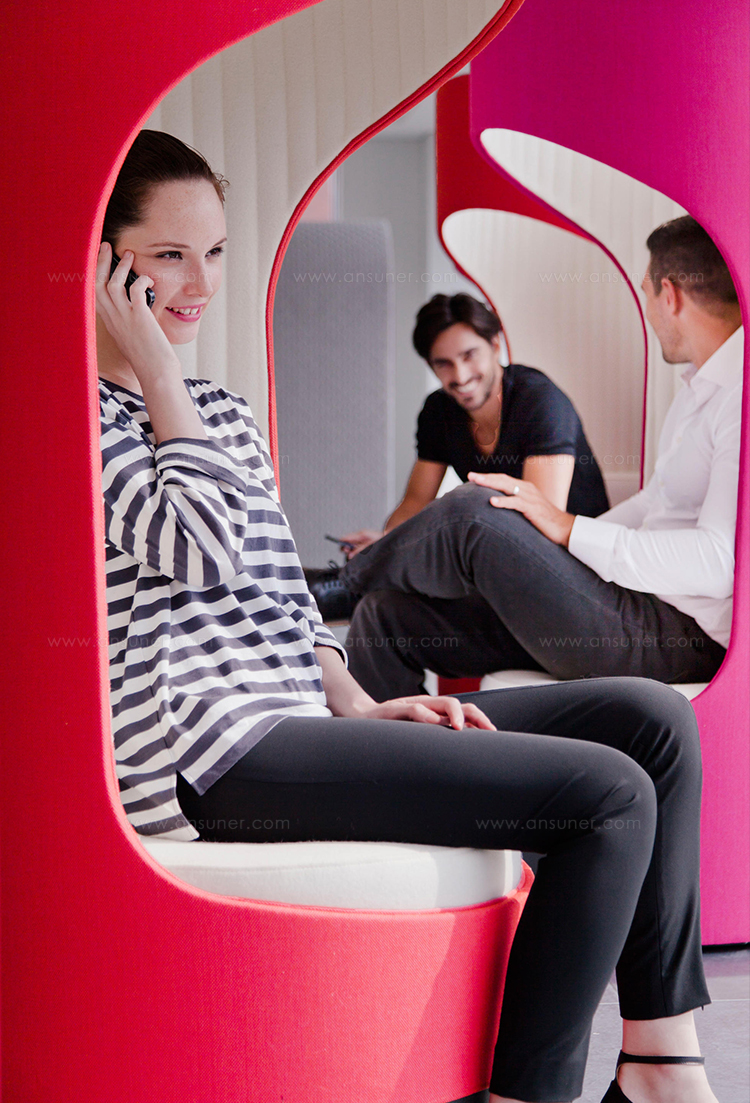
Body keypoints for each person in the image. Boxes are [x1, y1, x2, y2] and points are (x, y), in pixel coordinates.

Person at [97, 130, 719, 1103]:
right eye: (168, 254)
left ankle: (659, 1056)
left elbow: (276, 591)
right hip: (210, 753)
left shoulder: (219, 412)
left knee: (654, 721)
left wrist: (353, 700)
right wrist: (156, 374)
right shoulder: (73, 418)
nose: (201, 282)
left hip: (292, 719)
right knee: (606, 796)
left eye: (213, 251)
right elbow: (203, 546)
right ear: (105, 266)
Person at [342, 216, 742, 698]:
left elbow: (718, 561)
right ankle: (394, 744)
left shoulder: (737, 398)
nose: (648, 311)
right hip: (625, 602)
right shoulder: (701, 389)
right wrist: (570, 554)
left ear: (670, 296)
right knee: (383, 617)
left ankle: (339, 587)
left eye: (646, 293)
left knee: (477, 510)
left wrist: (569, 528)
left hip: (677, 634)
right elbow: (654, 503)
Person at [338, 293, 609, 561]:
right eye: (443, 364)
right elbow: (415, 503)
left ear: (495, 345)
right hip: (503, 554)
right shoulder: (438, 410)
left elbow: (542, 526)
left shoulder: (540, 401)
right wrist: (383, 545)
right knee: (384, 575)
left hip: (575, 560)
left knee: (464, 506)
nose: (460, 376)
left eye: (469, 355)